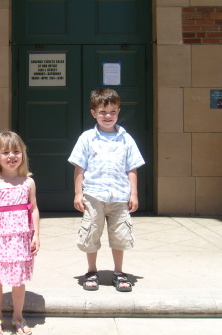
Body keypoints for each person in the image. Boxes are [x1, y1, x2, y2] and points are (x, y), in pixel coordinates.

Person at [68, 88, 145, 292]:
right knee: (91, 233)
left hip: (119, 196)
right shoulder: (87, 138)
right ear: (94, 113)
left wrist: (134, 194)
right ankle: (91, 271)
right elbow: (79, 167)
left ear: (119, 112)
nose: (107, 116)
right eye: (102, 112)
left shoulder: (126, 139)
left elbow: (132, 168)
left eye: (112, 111)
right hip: (93, 195)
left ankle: (119, 272)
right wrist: (78, 193)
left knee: (120, 234)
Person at [0, 130, 40, 335]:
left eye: (16, 151)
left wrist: (36, 235)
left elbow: (34, 209)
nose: (11, 156)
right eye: (5, 152)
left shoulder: (28, 182)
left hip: (20, 239)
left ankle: (18, 317)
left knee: (18, 280)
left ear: (23, 154)